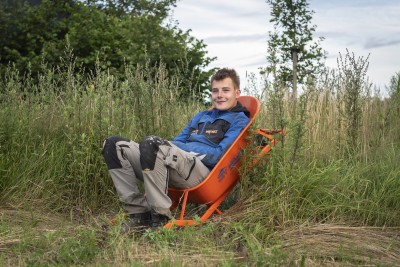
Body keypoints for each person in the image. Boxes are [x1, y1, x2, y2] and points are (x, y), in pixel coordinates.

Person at [102, 68, 250, 232]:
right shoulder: (201, 116)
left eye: (226, 90)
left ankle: (160, 218)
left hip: (204, 176)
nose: (220, 95)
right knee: (114, 145)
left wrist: (180, 148)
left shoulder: (240, 119)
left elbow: (220, 156)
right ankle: (139, 213)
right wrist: (172, 147)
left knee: (153, 143)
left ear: (237, 93)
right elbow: (177, 141)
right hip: (180, 166)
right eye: (215, 91)